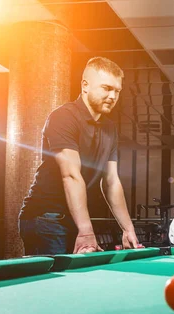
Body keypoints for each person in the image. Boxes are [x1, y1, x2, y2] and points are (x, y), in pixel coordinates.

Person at [19, 57, 139, 255]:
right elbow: (71, 175)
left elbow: (111, 181)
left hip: (74, 217)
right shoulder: (64, 117)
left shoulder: (110, 128)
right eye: (106, 88)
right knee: (56, 284)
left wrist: (128, 229)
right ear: (85, 85)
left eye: (117, 90)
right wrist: (85, 231)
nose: (112, 96)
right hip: (46, 217)